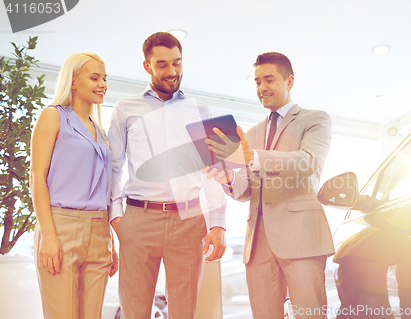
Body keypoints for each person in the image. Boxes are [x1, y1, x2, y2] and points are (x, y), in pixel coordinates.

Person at [204, 52, 334, 319]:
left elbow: (308, 162)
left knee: (310, 315)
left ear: (290, 80)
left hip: (301, 238)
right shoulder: (251, 134)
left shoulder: (315, 119)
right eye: (257, 82)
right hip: (258, 243)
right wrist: (228, 178)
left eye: (268, 80)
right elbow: (246, 191)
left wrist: (253, 157)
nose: (261, 88)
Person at [107, 32, 227, 319]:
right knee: (135, 310)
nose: (172, 72)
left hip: (189, 221)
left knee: (184, 311)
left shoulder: (201, 110)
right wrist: (116, 217)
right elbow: (113, 166)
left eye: (177, 63)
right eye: (162, 64)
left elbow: (216, 170)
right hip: (138, 219)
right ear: (147, 66)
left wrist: (218, 224)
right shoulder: (125, 108)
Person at [30, 52, 116, 319]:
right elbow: (37, 178)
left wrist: (110, 240)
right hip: (61, 226)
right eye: (94, 77)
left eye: (104, 78)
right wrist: (49, 235)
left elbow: (105, 188)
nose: (102, 84)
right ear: (73, 80)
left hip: (99, 229)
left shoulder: (100, 131)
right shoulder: (53, 116)